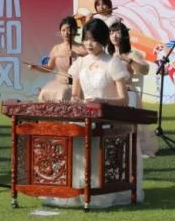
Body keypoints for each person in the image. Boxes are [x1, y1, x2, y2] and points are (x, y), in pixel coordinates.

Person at [43, 19, 135, 208]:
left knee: (95, 141)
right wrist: (75, 102)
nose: (89, 44)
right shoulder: (80, 63)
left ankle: (99, 189)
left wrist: (103, 101)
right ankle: (76, 189)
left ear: (103, 40)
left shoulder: (113, 63)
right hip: (85, 116)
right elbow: (76, 95)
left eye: (93, 40)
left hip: (107, 118)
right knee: (71, 136)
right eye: (86, 39)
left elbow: (124, 99)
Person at [109, 21, 158, 158]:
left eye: (117, 32)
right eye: (111, 32)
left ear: (124, 35)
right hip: (111, 91)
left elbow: (145, 70)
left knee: (129, 100)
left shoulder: (132, 54)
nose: (114, 35)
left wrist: (128, 59)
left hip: (127, 91)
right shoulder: (108, 55)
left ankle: (131, 145)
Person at [33, 16, 87, 102]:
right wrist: (36, 67)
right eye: (63, 30)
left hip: (76, 85)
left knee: (63, 93)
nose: (66, 33)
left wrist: (77, 55)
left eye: (69, 30)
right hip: (59, 83)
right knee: (44, 93)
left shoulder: (83, 48)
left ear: (75, 30)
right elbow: (49, 68)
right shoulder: (56, 48)